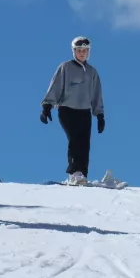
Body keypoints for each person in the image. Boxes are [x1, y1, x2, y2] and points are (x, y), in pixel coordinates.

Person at [39, 36, 105, 185]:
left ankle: (82, 174)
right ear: (74, 51)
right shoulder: (66, 67)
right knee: (75, 139)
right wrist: (47, 107)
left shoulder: (92, 72)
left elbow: (97, 94)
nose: (82, 53)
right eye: (79, 50)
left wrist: (100, 115)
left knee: (85, 142)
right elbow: (55, 87)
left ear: (89, 52)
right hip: (67, 109)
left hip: (85, 111)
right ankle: (74, 173)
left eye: (85, 51)